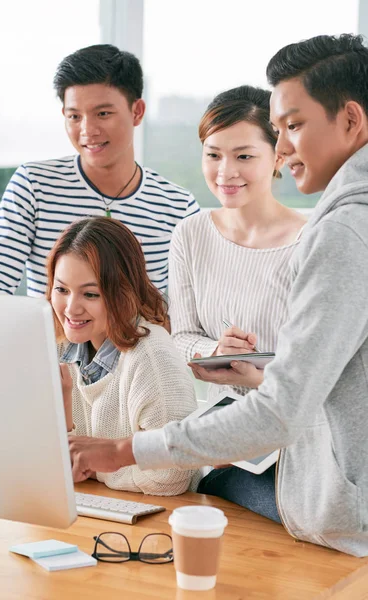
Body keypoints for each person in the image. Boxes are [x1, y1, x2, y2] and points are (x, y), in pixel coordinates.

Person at [68, 33, 368, 557]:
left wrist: (121, 451)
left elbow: (280, 412)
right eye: (280, 130)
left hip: (331, 499)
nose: (284, 147)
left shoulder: (339, 231)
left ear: (350, 120)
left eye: (293, 126)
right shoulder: (199, 232)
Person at [0, 44, 199, 297]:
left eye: (103, 113)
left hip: (141, 338)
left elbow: (192, 309)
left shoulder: (178, 207)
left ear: (137, 111)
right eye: (74, 116)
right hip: (48, 338)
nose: (87, 130)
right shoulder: (33, 185)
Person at [168, 86, 306, 399]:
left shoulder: (309, 241)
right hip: (224, 420)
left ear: (278, 157)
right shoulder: (190, 235)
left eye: (244, 156)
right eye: (213, 155)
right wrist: (216, 348)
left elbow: (324, 366)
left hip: (299, 427)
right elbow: (181, 337)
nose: (225, 172)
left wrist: (257, 378)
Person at [47, 216, 196, 495]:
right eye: (62, 289)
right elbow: (46, 461)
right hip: (88, 505)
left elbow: (172, 477)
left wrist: (98, 470)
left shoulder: (152, 358)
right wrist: (64, 402)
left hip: (161, 515)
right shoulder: (54, 345)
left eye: (90, 294)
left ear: (123, 291)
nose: (71, 308)